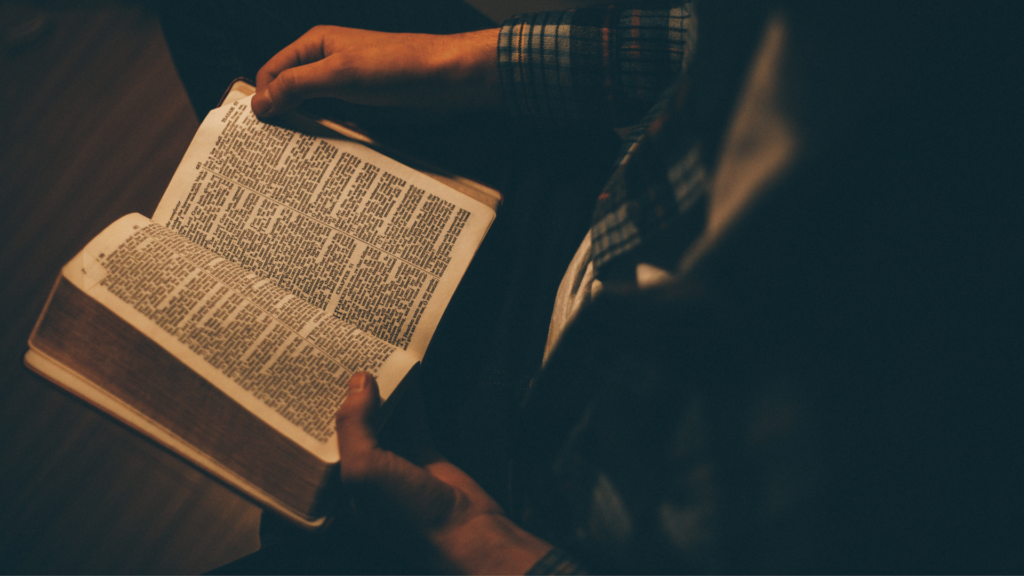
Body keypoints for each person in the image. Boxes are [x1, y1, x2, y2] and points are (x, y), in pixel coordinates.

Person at [161, 0, 1024, 572]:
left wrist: (473, 538)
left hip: (542, 489)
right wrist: (456, 64)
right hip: (590, 212)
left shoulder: (927, 419)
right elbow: (697, 39)